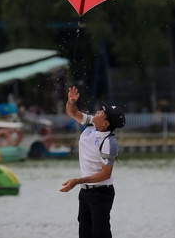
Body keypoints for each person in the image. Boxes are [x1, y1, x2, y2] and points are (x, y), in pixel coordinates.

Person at [60, 86, 126, 238]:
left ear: (106, 124)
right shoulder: (91, 124)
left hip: (101, 193)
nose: (99, 110)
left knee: (100, 232)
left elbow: (105, 174)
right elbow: (72, 112)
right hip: (85, 192)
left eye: (103, 112)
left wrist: (77, 181)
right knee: (84, 232)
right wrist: (71, 102)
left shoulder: (109, 142)